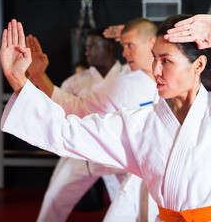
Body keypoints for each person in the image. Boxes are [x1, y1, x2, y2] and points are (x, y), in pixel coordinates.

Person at [0, 5, 211, 221]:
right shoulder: (139, 124)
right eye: (154, 58)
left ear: (197, 66)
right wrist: (19, 79)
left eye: (166, 61)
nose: (155, 70)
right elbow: (69, 132)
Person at [26, 29, 132, 222]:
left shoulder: (129, 75)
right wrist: (35, 78)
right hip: (82, 155)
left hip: (117, 155)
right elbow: (54, 108)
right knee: (53, 200)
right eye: (86, 47)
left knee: (129, 208)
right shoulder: (75, 81)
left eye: (93, 46)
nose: (87, 52)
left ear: (109, 47)